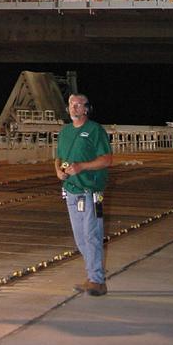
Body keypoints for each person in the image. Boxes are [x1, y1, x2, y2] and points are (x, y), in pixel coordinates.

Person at [55, 93, 113, 295]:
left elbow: (106, 160)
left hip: (90, 192)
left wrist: (82, 167)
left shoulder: (95, 130)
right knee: (80, 238)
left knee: (92, 236)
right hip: (71, 192)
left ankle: (97, 280)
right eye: (71, 104)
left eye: (79, 105)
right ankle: (92, 276)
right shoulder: (65, 132)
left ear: (87, 108)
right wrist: (58, 170)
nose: (74, 108)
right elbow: (59, 157)